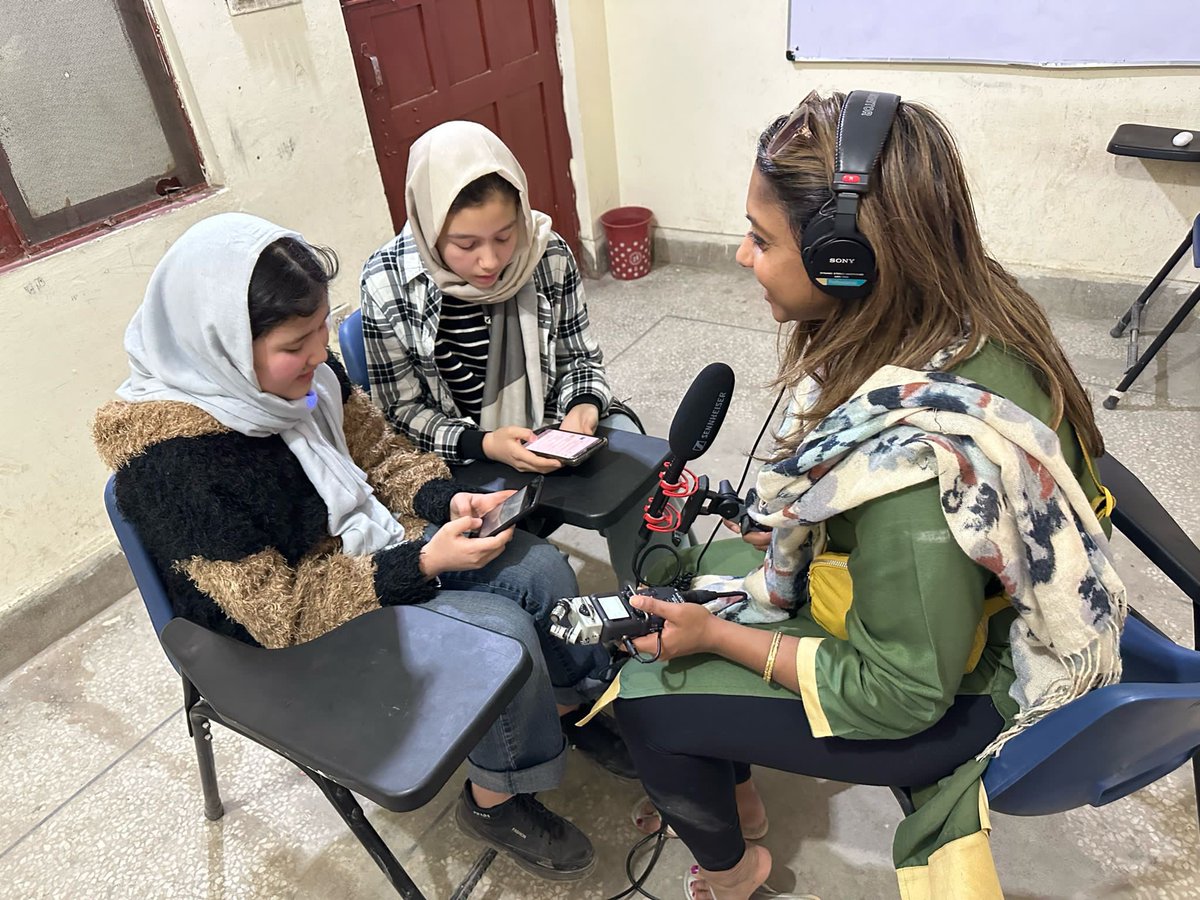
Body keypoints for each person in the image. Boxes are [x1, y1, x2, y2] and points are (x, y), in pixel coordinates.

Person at [609, 92, 1126, 900]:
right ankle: (735, 792)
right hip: (948, 611)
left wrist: (718, 637)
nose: (743, 258)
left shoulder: (917, 470)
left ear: (844, 259)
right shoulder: (964, 306)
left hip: (958, 697)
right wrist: (809, 536)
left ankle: (737, 866)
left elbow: (899, 696)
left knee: (644, 696)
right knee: (686, 570)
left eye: (759, 238)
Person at [92, 212, 621, 882]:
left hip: (368, 551)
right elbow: (278, 614)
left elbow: (381, 456)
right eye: (295, 343)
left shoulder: (303, 378)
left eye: (322, 330)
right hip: (286, 638)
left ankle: (572, 702)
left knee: (543, 568)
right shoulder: (173, 466)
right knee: (505, 636)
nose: (319, 356)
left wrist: (443, 503)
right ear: (220, 344)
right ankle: (495, 797)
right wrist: (423, 562)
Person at [360, 120, 660, 584]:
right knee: (531, 573)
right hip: (458, 450)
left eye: (504, 236)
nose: (491, 261)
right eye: (465, 244)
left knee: (644, 479)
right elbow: (400, 414)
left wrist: (581, 409)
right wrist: (484, 444)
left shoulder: (545, 253)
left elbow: (578, 358)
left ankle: (660, 604)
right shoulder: (388, 283)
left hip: (553, 425)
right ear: (428, 228)